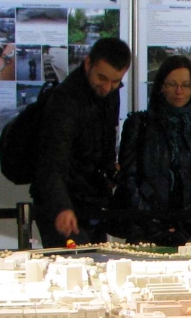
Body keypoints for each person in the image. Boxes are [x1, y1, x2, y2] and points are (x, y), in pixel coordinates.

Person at [31, 36, 130, 248]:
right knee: (75, 262)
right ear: (88, 64)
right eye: (102, 78)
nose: (107, 87)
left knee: (96, 262)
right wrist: (62, 207)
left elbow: (107, 138)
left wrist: (109, 171)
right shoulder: (64, 100)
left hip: (91, 200)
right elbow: (51, 161)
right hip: (63, 203)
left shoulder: (110, 94)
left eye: (115, 81)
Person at [111, 55, 191, 246]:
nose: (179, 91)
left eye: (186, 85)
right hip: (144, 226)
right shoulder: (139, 124)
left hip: (188, 228)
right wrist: (152, 224)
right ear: (161, 87)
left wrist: (189, 224)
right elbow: (129, 178)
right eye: (172, 84)